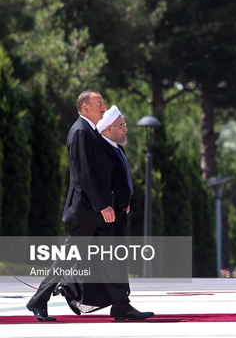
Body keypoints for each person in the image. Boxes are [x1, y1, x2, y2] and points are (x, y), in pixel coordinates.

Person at [26, 91, 152, 321]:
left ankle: (121, 306)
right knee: (67, 257)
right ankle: (38, 300)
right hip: (86, 212)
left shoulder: (91, 132)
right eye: (99, 104)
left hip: (97, 211)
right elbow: (83, 173)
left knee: (112, 256)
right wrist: (102, 205)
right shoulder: (80, 131)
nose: (103, 108)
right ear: (85, 107)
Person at [56, 106, 146, 316]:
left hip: (116, 213)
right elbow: (91, 179)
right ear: (107, 129)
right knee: (89, 258)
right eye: (121, 125)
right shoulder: (100, 146)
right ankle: (61, 290)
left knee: (111, 262)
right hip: (102, 214)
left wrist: (126, 200)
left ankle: (120, 305)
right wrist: (105, 206)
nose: (126, 129)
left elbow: (121, 181)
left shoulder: (116, 148)